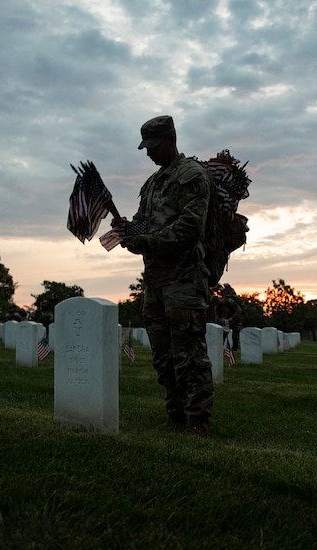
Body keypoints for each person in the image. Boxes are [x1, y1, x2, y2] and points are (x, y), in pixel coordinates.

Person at [111, 115, 215, 436]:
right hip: (154, 282)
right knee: (162, 355)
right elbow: (146, 225)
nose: (149, 153)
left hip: (184, 281)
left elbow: (188, 228)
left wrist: (145, 240)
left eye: (154, 147)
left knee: (189, 354)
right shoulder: (153, 183)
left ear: (172, 139)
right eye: (146, 148)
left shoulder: (192, 176)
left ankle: (197, 420)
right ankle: (174, 415)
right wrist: (129, 230)